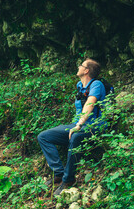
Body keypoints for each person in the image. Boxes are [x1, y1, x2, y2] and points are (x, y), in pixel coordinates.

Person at [37, 58, 106, 195]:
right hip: (76, 125)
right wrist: (76, 124)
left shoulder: (97, 84)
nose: (78, 66)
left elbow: (90, 104)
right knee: (44, 136)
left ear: (86, 70)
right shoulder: (80, 85)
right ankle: (58, 172)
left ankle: (68, 179)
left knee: (75, 137)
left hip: (94, 126)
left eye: (81, 65)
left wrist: (79, 125)